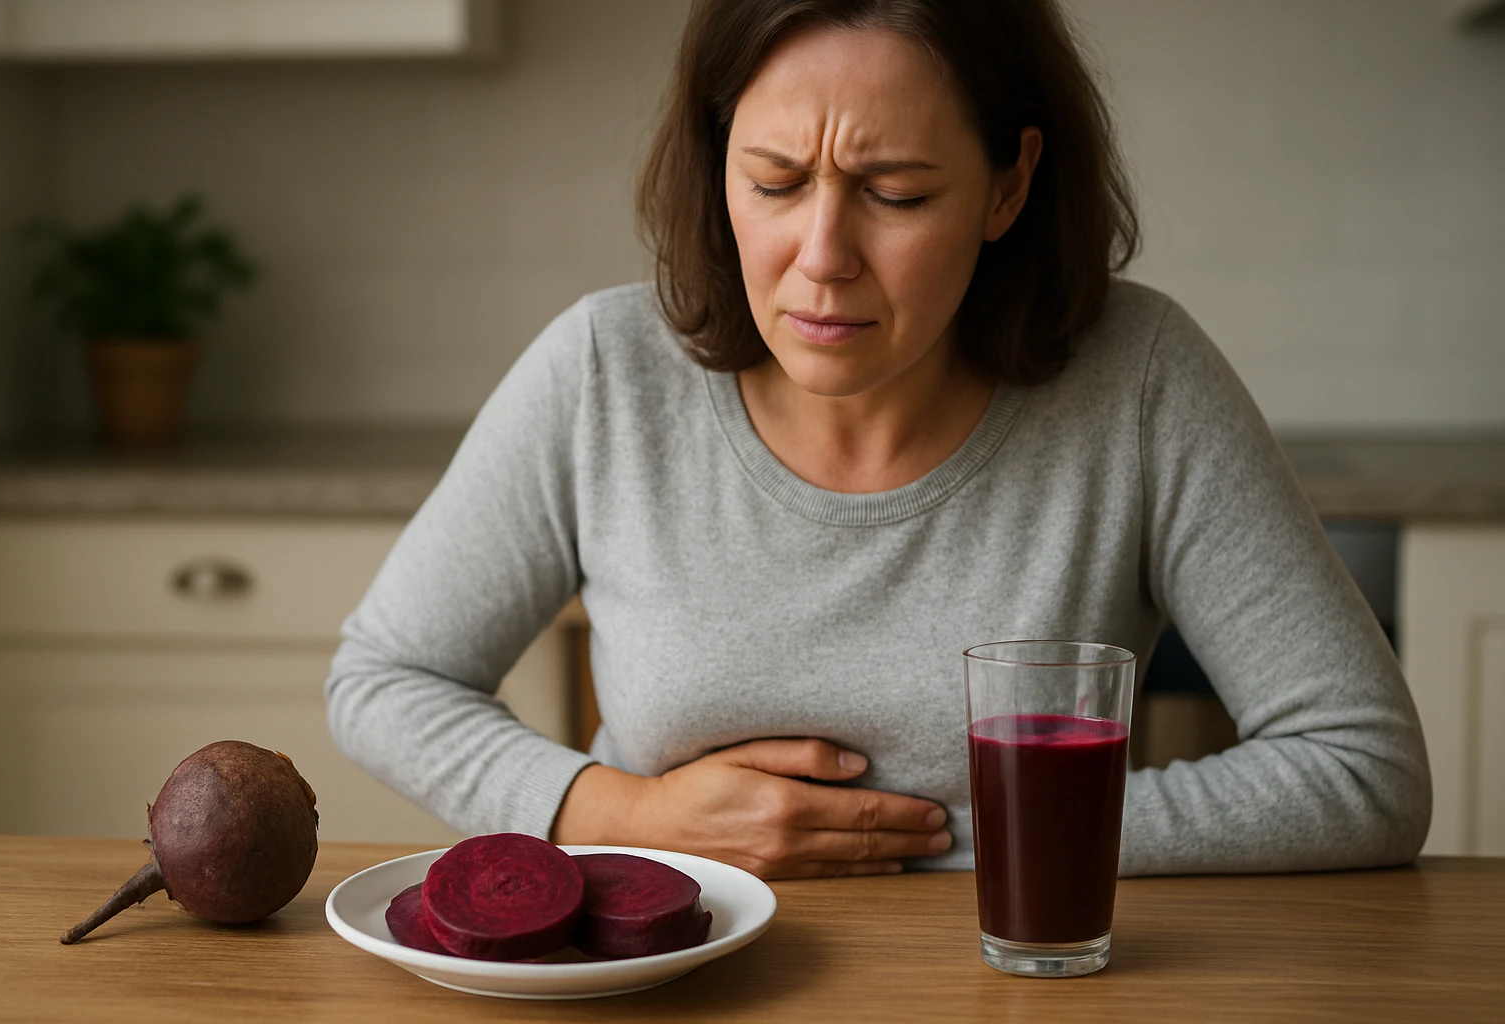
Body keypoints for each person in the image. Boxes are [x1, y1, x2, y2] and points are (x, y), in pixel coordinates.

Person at [325, 0, 1430, 879]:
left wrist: (951, 841)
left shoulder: (1139, 380)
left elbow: (1363, 769)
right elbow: (386, 676)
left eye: (893, 193)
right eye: (773, 181)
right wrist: (631, 815)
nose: (821, 255)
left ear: (1009, 184)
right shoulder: (604, 373)